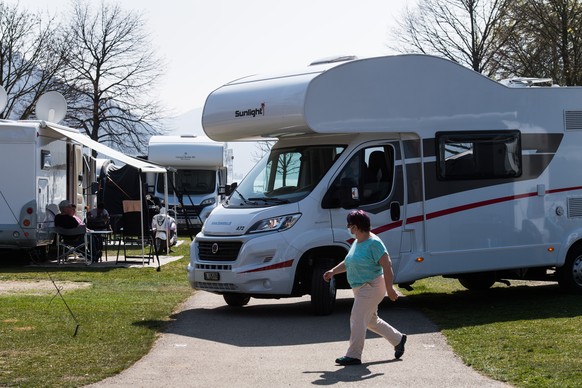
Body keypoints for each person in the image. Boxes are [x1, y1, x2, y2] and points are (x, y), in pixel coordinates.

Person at [323, 209, 407, 366]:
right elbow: (349, 262)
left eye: (349, 225)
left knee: (357, 318)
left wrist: (390, 289)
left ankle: (354, 355)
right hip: (360, 288)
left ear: (356, 226)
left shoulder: (374, 243)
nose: (348, 228)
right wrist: (333, 271)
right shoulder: (357, 242)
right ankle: (398, 339)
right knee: (371, 320)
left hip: (372, 287)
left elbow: (387, 266)